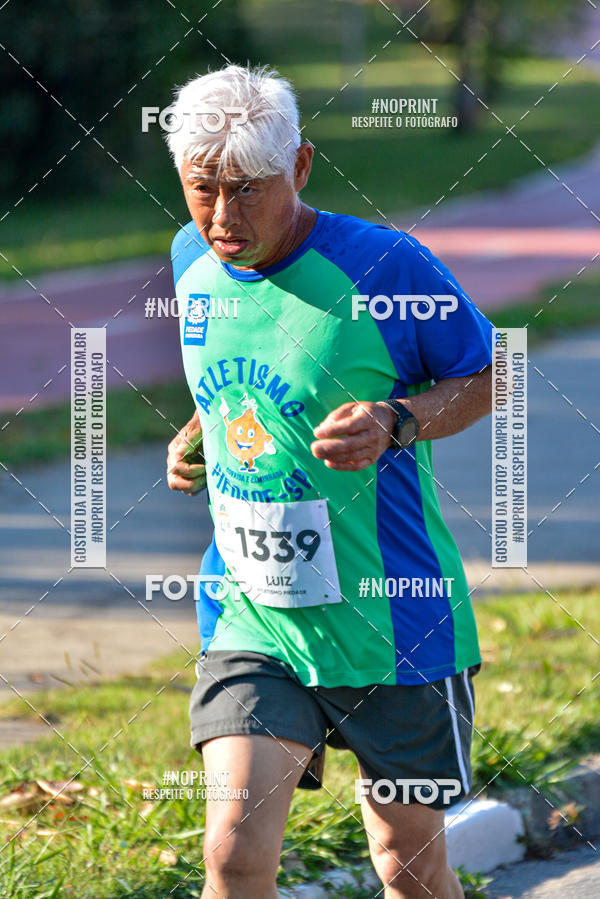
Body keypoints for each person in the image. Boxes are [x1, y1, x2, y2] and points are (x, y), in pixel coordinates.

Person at [165, 64, 493, 899]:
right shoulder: (190, 262)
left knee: (406, 864)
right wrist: (202, 429)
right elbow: (240, 372)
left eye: (247, 190)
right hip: (256, 615)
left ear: (301, 166)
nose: (223, 218)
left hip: (398, 621)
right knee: (234, 855)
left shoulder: (386, 268)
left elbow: (489, 375)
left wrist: (400, 420)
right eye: (204, 190)